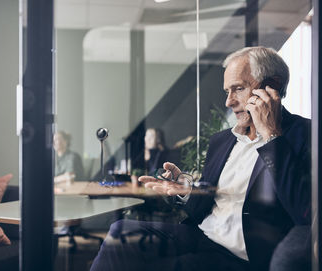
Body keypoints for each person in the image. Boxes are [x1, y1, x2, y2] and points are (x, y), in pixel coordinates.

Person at [90, 47, 311, 271]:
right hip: (199, 235)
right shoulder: (222, 141)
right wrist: (186, 191)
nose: (229, 102)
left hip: (244, 256)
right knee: (121, 231)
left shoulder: (308, 135)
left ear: (272, 85)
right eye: (227, 91)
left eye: (239, 89)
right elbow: (202, 208)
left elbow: (304, 212)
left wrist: (271, 137)